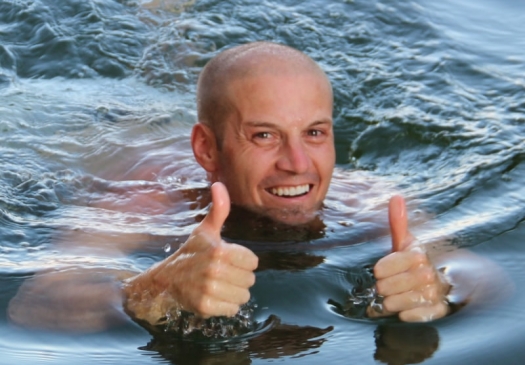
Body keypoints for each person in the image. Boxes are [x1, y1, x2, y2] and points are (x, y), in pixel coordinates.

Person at [8, 41, 455, 331]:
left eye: (315, 133)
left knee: (172, 83)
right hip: (99, 133)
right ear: (206, 150)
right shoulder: (147, 195)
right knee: (149, 97)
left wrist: (439, 288)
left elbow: (485, 279)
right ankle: (163, 29)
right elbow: (36, 304)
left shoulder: (372, 202)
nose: (297, 164)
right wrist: (150, 293)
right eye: (264, 135)